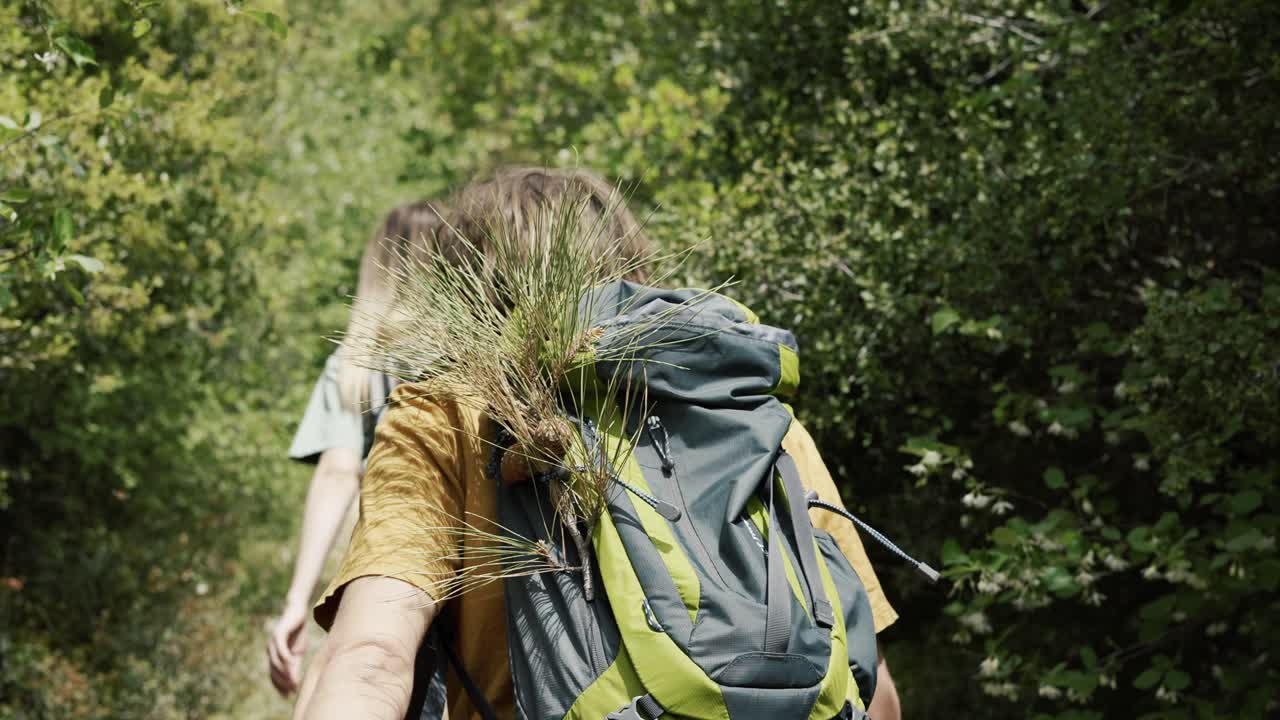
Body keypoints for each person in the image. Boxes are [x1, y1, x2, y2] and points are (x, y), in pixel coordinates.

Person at [293, 167, 903, 720]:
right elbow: (870, 688)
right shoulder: (755, 414)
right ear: (631, 261)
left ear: (469, 285)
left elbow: (372, 658)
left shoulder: (443, 415)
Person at [267, 201, 449, 710]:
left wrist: (297, 601)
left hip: (387, 563)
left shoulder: (357, 361)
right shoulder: (482, 349)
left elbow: (338, 473)